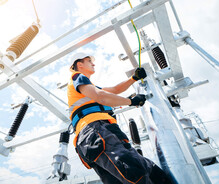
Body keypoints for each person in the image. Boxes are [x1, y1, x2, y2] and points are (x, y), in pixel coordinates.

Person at [67, 53, 173, 184]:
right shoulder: (78, 77)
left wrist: (133, 78)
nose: (93, 64)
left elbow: (114, 89)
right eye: (89, 61)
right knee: (134, 172)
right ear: (79, 64)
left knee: (150, 173)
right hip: (95, 130)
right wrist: (131, 101)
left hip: (100, 133)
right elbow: (101, 96)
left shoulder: (88, 86)